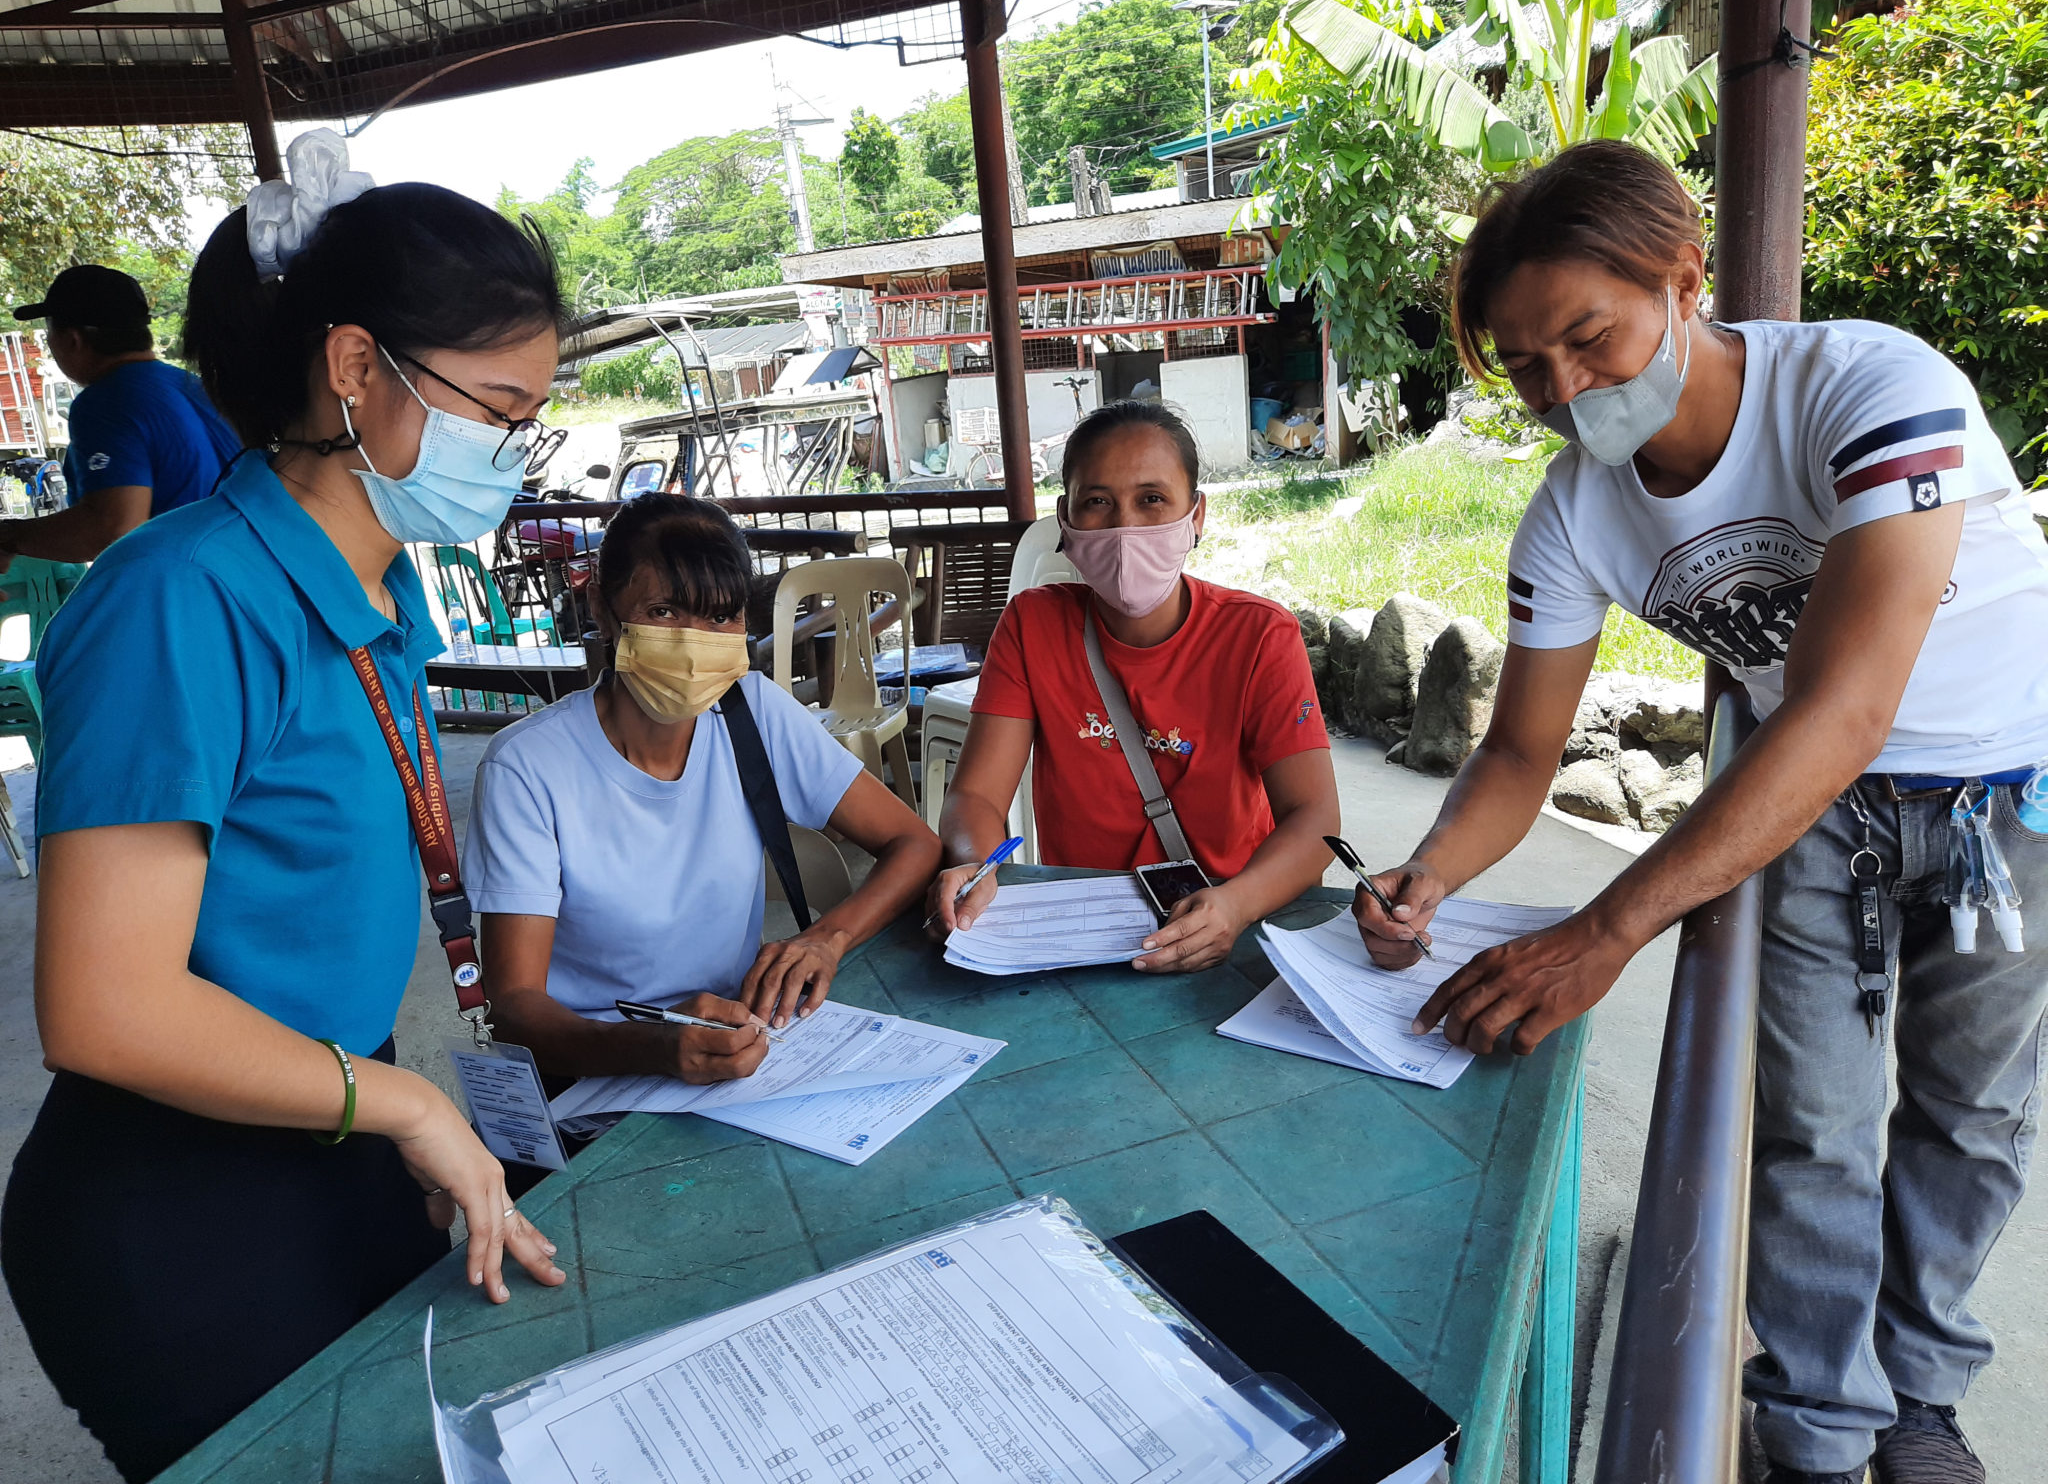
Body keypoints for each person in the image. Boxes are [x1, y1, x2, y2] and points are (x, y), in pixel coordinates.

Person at [1352, 142, 2048, 1484]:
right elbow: (1516, 754)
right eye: (1528, 366)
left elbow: (1845, 712)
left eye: (1589, 339)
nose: (1566, 390)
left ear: (1686, 276)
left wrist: (1608, 928)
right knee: (1813, 1127)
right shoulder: (1571, 518)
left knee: (1969, 1116)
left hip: (2007, 788)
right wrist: (1427, 874)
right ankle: (1816, 1433)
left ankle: (1920, 1394)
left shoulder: (1873, 389)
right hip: (1810, 811)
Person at [0, 132, 568, 1483]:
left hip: (331, 1127)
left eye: (530, 416)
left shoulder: (380, 595)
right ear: (357, 369)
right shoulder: (179, 599)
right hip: (174, 1202)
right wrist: (414, 1109)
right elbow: (107, 1008)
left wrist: (397, 1109)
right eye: (495, 408)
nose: (514, 451)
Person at [466, 492, 942, 1083]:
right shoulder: (528, 768)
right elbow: (515, 1010)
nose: (695, 644)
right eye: (664, 612)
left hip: (739, 1048)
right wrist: (653, 1047)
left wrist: (826, 939)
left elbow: (914, 843)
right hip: (597, 1080)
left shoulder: (755, 714)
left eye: (720, 617)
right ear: (602, 607)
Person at [928, 400, 1340, 972]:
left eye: (1152, 499)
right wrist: (977, 863)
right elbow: (976, 796)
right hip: (1083, 933)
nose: (1124, 525)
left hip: (1230, 918)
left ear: (1196, 516)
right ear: (1065, 520)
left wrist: (1236, 905)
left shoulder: (1258, 636)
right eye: (1097, 502)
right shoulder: (1032, 626)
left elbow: (1314, 819)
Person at [0, 264, 238, 568]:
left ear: (73, 340)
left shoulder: (107, 401)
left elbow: (111, 529)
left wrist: (9, 536)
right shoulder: (194, 387)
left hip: (185, 588)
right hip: (242, 577)